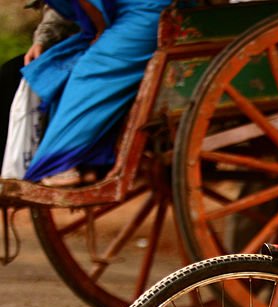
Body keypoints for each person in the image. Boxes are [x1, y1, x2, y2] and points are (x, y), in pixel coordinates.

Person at [19, 0, 171, 184]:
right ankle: (88, 160)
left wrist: (101, 30)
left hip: (146, 13)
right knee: (61, 66)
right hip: (126, 13)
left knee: (91, 71)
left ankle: (59, 163)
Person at [0, 4, 77, 160]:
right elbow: (58, 14)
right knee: (14, 73)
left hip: (100, 42)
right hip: (71, 40)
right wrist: (41, 41)